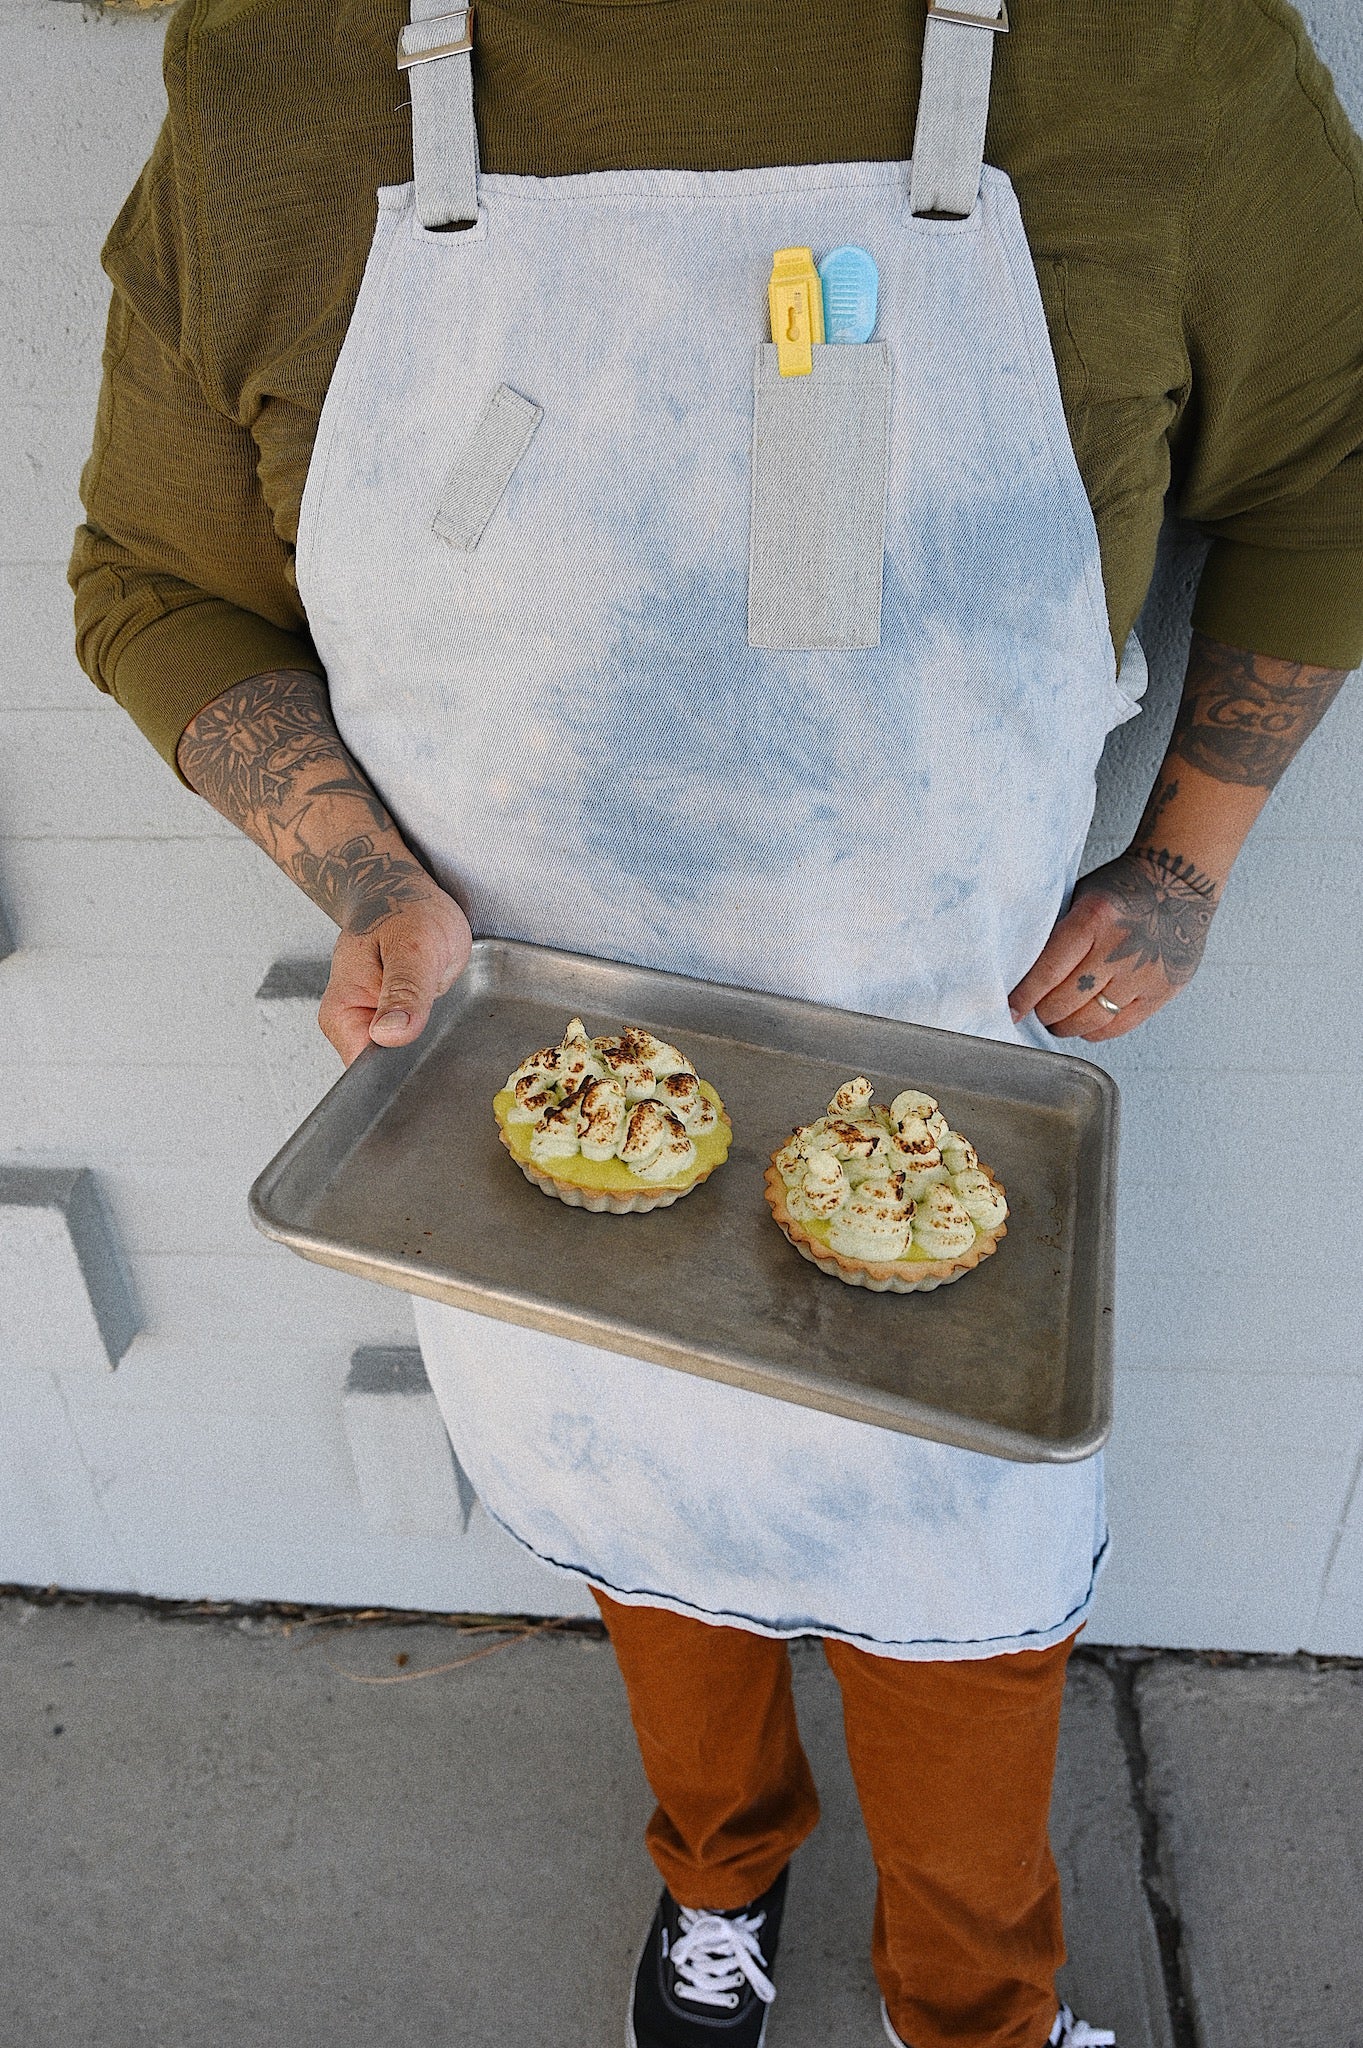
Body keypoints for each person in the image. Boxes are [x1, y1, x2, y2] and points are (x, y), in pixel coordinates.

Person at [71, 3, 1361, 2043]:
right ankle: (714, 1880)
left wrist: (1185, 855)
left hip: (938, 1092)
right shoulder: (285, 79)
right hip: (536, 1099)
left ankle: (975, 2000)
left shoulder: (1154, 49)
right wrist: (360, 876)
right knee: (643, 1526)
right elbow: (157, 577)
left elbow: (1321, 466)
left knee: (961, 1595)